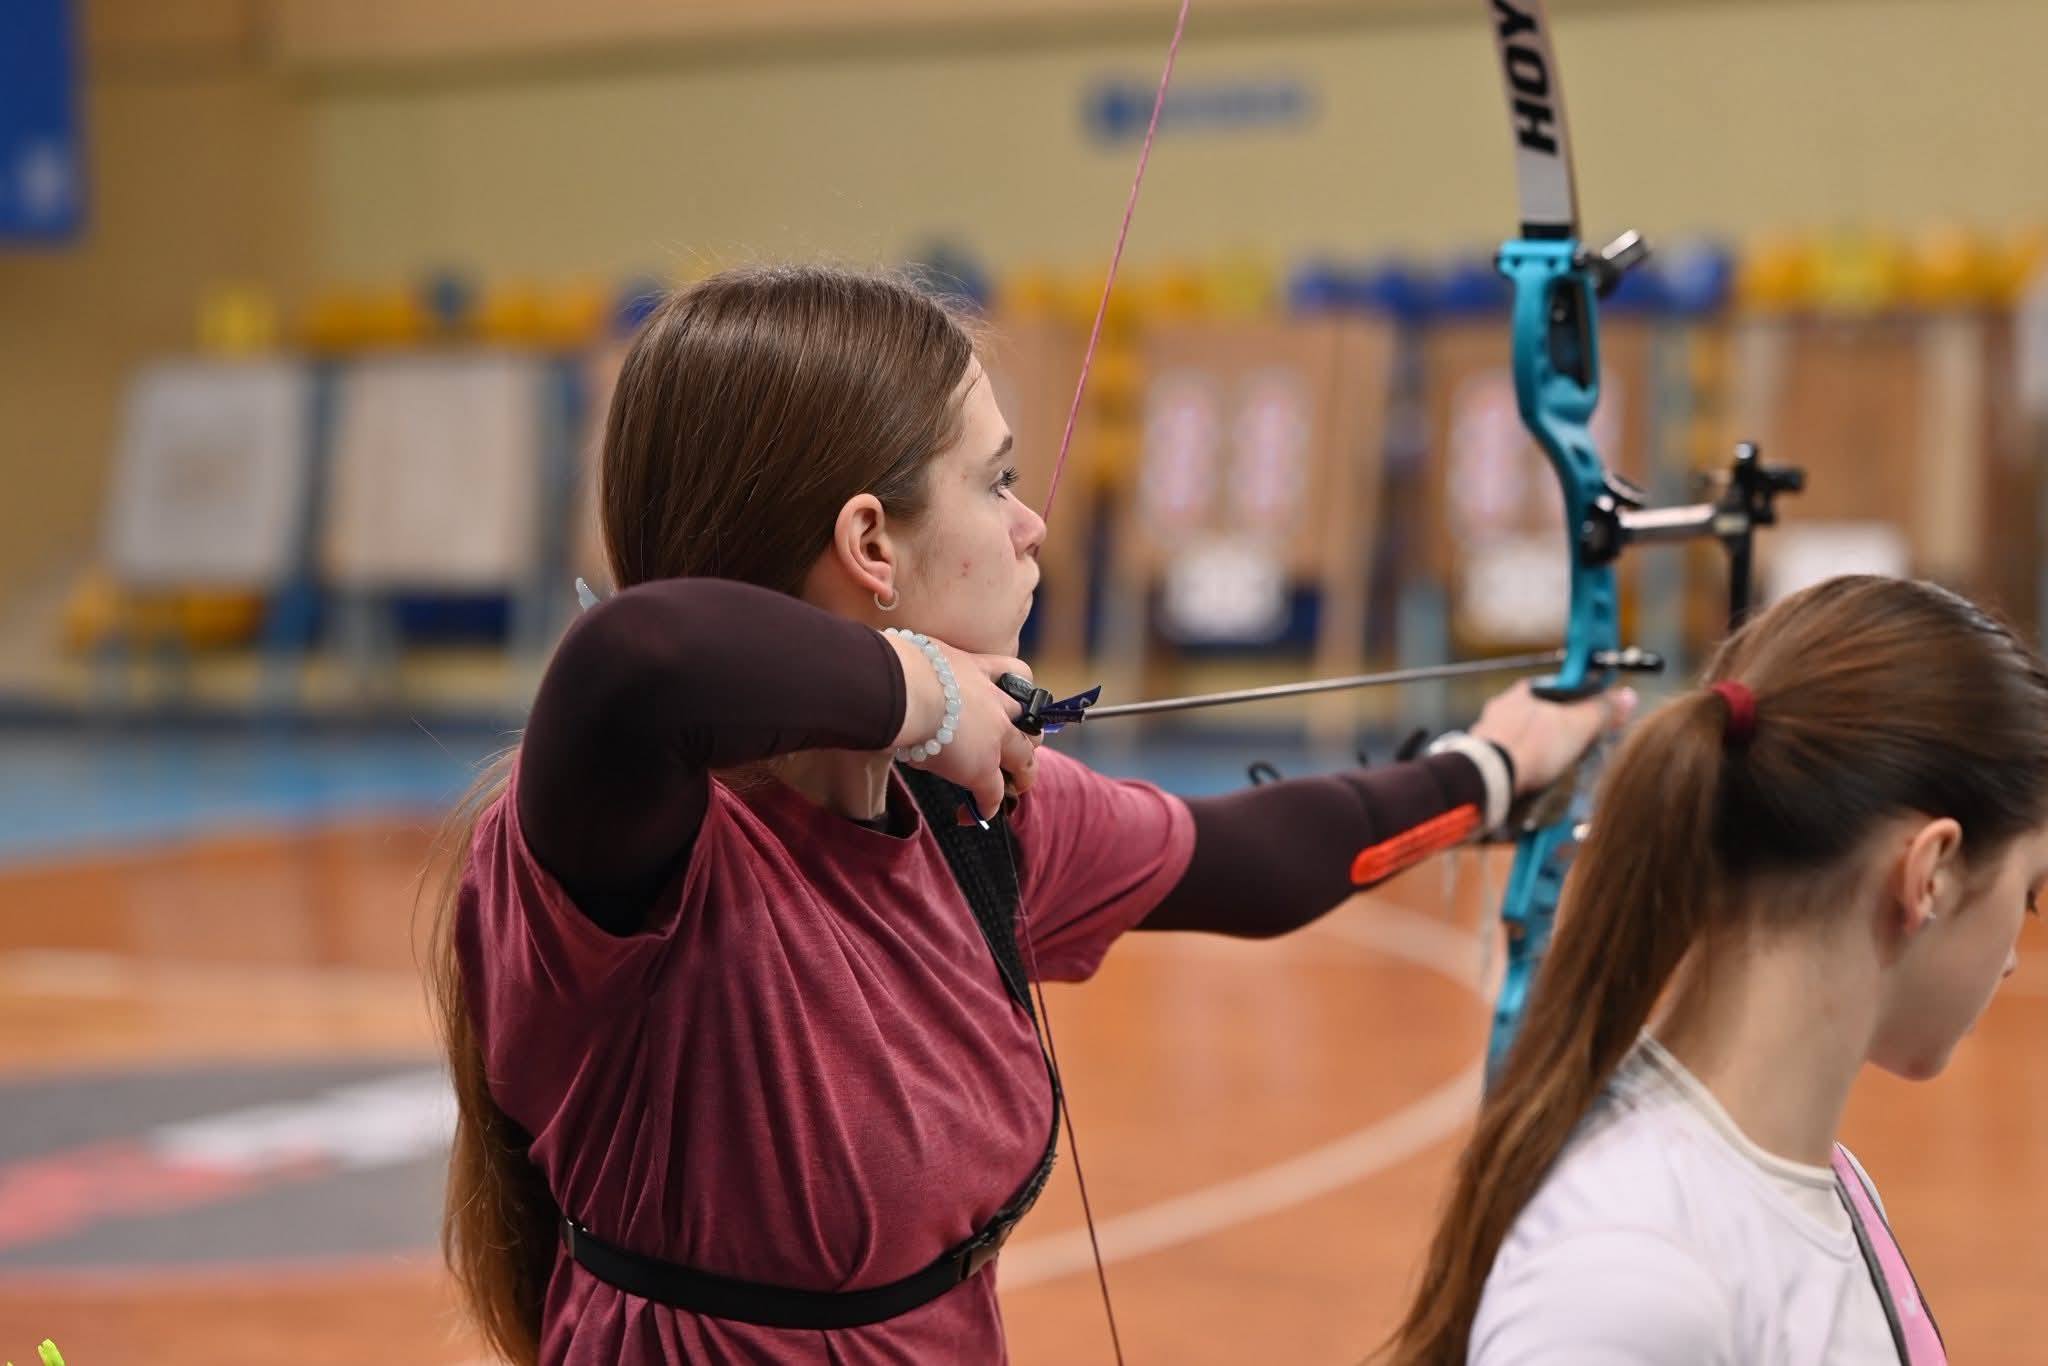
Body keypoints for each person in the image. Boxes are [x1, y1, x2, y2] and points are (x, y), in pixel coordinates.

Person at [425, 264, 1618, 1364]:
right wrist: (929, 693)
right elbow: (636, 657)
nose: (1030, 523)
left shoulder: (967, 814)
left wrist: (1489, 770)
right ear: (869, 543)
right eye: (994, 481)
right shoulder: (624, 851)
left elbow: (1249, 860)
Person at [1390, 574, 2048, 1365]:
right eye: (2032, 895)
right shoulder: (1631, 1274)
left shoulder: (1815, 1181)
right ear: (1930, 873)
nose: (2015, 953)